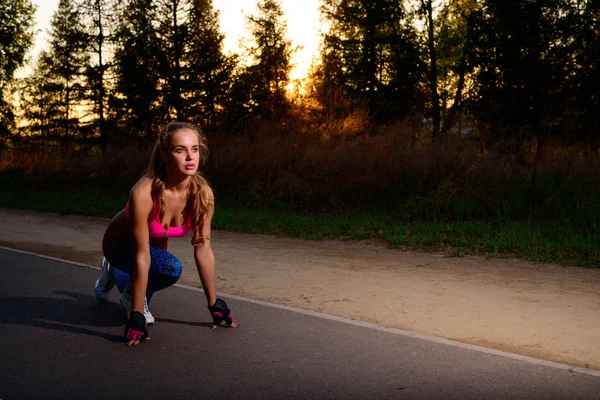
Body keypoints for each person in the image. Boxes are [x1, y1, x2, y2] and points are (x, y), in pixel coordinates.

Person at [94, 121, 238, 346]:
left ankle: (115, 275)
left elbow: (204, 249)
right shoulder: (143, 192)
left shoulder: (203, 194)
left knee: (158, 270)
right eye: (180, 150)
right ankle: (113, 267)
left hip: (154, 248)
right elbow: (142, 255)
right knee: (168, 269)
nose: (190, 157)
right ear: (164, 155)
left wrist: (214, 304)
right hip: (120, 244)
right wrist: (136, 315)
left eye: (195, 149)